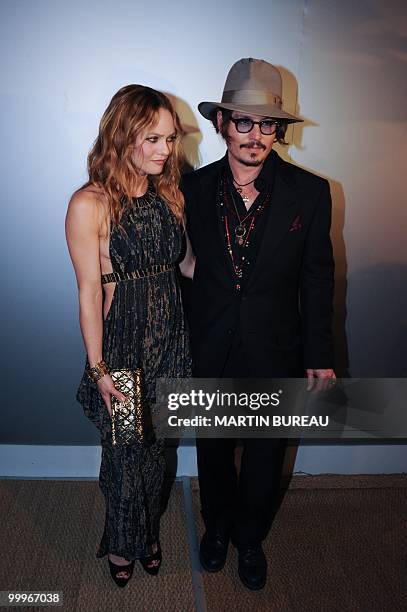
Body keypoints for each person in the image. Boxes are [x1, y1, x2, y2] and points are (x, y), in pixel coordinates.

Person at [181, 58, 336, 590]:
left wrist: (320, 355)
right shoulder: (191, 191)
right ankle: (217, 528)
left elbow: (317, 279)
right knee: (214, 449)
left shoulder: (311, 194)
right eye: (243, 121)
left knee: (267, 453)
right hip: (211, 347)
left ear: (279, 130)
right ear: (222, 123)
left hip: (276, 348)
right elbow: (181, 270)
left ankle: (250, 537)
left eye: (267, 123)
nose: (255, 134)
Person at [65, 85, 191, 587]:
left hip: (173, 342)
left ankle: (148, 530)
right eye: (153, 138)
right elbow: (88, 294)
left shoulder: (171, 193)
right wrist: (98, 369)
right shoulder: (89, 204)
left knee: (160, 450)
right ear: (123, 136)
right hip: (123, 346)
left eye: (170, 138)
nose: (165, 150)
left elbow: (188, 265)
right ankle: (123, 541)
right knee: (124, 456)